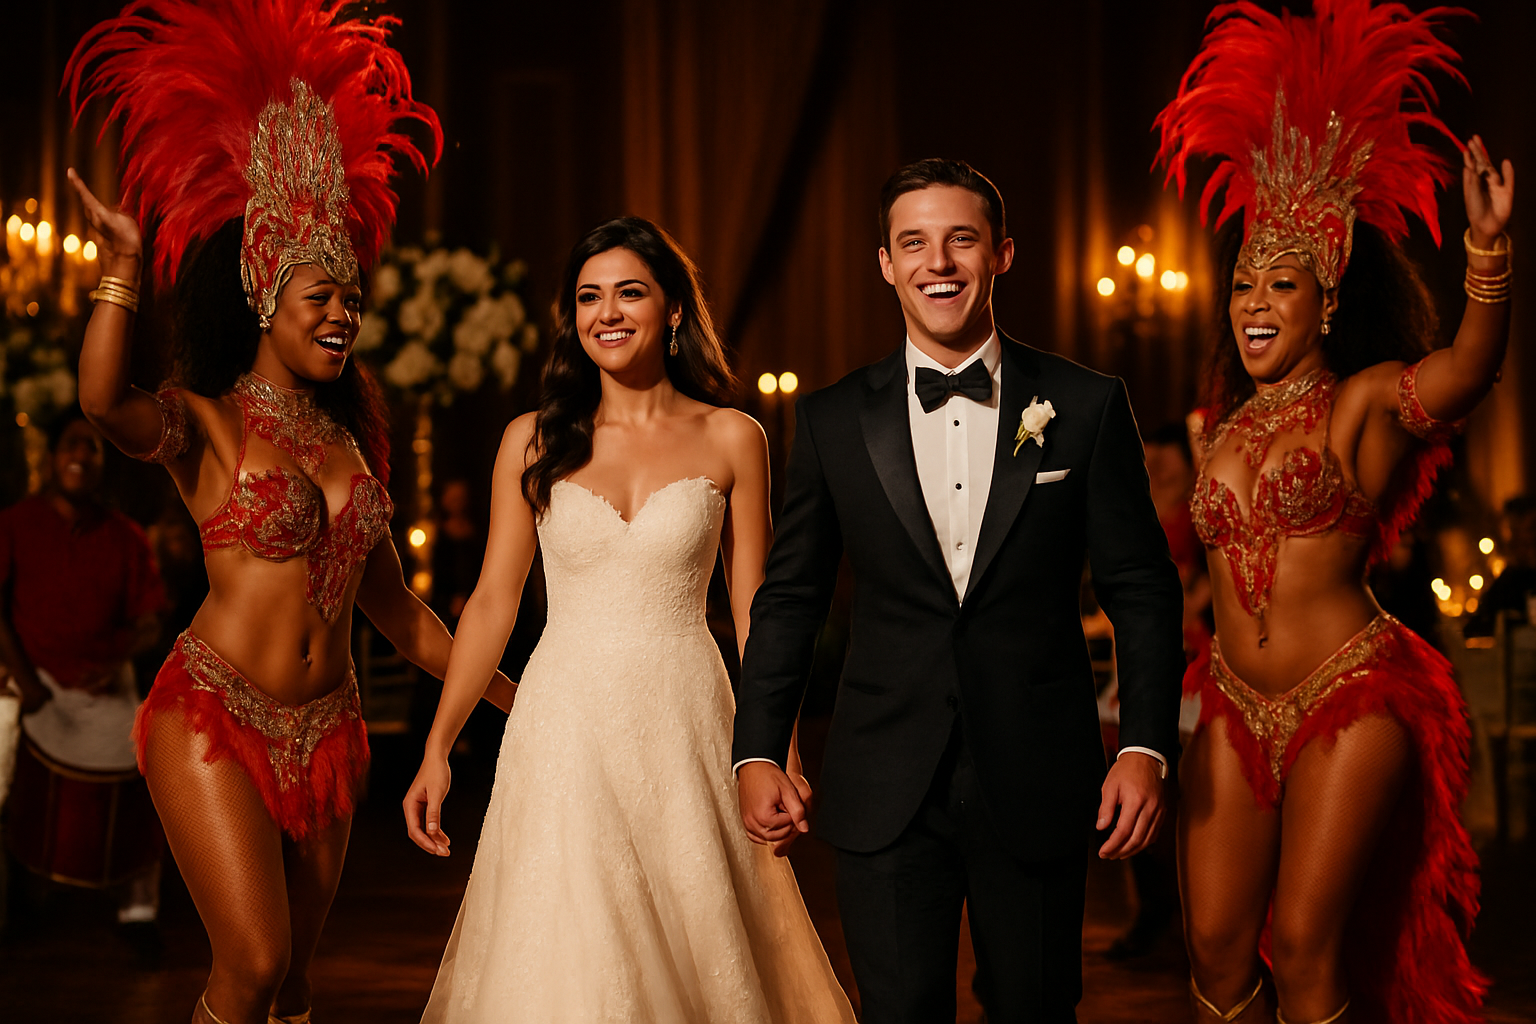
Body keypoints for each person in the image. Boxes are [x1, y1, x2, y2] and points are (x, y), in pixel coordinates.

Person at [63, 3, 511, 1022]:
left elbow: (401, 617)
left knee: (297, 983)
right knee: (254, 963)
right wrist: (122, 266)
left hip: (332, 730)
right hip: (213, 711)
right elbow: (101, 404)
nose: (343, 312)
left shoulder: (352, 443)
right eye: (321, 294)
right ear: (265, 290)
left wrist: (518, 701)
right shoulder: (210, 426)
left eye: (353, 298)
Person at [733, 158, 1187, 1022]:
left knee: (1036, 1008)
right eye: (914, 242)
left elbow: (1141, 586)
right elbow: (790, 597)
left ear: (1001, 253)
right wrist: (758, 747)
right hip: (881, 783)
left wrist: (1145, 745)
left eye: (961, 239)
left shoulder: (1086, 406)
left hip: (1041, 775)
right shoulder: (833, 420)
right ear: (885, 263)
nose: (937, 261)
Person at [404, 217, 855, 1023]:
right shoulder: (532, 442)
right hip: (564, 724)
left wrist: (777, 749)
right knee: (573, 948)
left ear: (674, 309)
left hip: (689, 720)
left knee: (698, 939)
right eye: (588, 297)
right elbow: (494, 603)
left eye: (629, 292)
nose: (606, 312)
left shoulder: (733, 436)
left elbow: (759, 611)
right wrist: (438, 746)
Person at [1154, 1, 1511, 1020]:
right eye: (1242, 285)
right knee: (1218, 955)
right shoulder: (1217, 426)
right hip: (1230, 700)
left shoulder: (1362, 406)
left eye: (1282, 285)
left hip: (1349, 694)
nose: (1255, 303)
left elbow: (1468, 371)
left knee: (1308, 948)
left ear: (1328, 302)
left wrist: (1486, 259)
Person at [0, 408, 166, 960]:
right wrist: (28, 682)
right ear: (51, 459)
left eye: (92, 449)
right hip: (34, 677)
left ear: (102, 465)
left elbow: (149, 621)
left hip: (106, 682)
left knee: (150, 758)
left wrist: (117, 655)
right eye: (71, 445)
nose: (80, 456)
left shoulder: (125, 535)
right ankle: (25, 894)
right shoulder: (15, 524)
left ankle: (138, 909)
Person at [1463, 494, 1536, 639]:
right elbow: (1477, 626)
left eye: (1530, 528)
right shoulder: (1510, 580)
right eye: (1511, 530)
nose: (1512, 539)